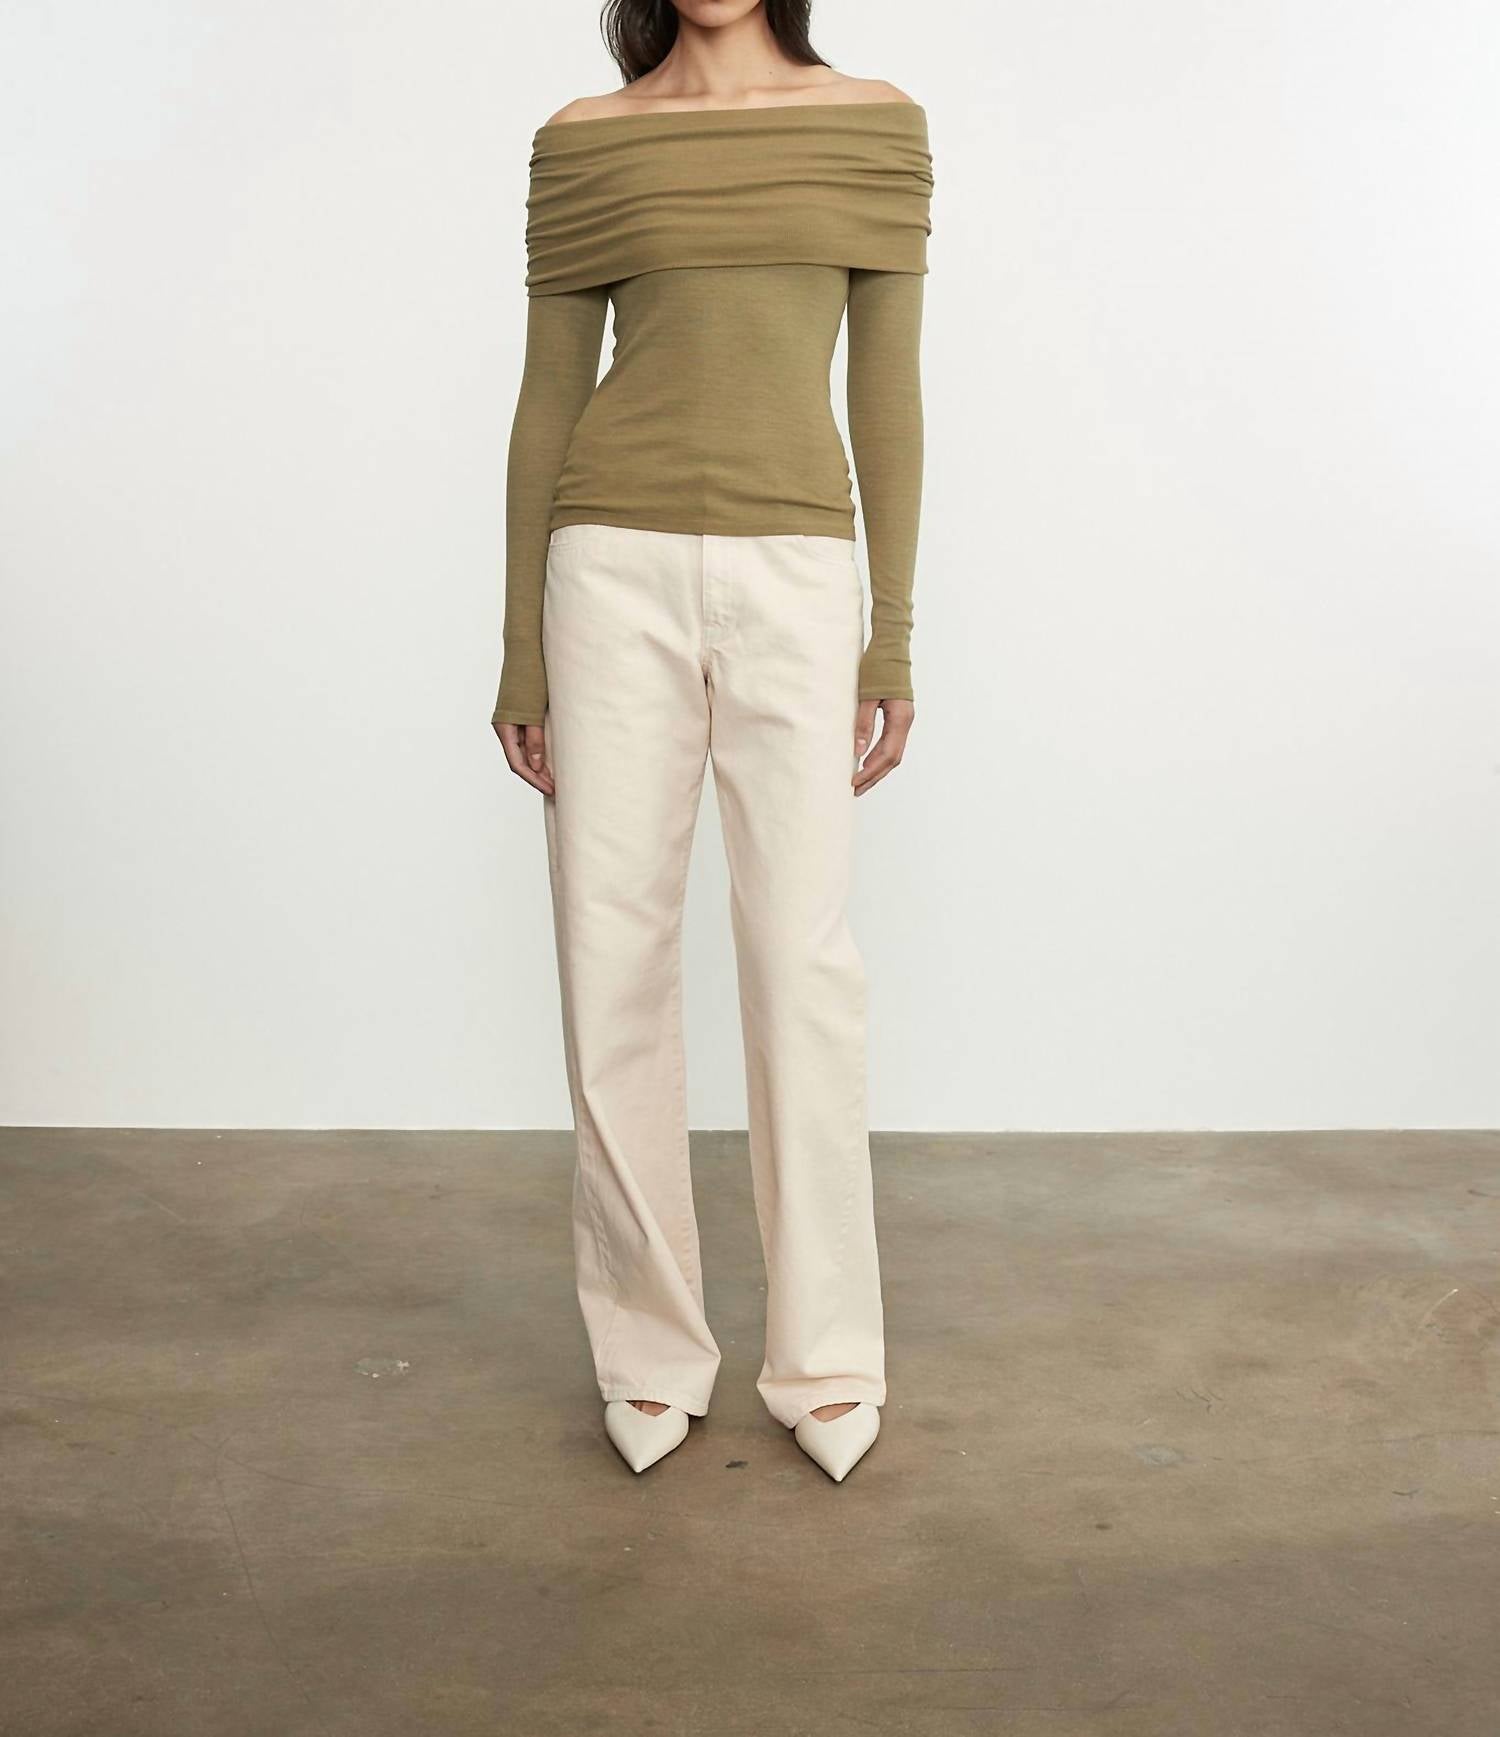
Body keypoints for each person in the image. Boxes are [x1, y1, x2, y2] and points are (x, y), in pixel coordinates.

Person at [491, 0, 932, 1481]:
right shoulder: (586, 141)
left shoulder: (871, 124)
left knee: (802, 963)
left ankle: (827, 1358)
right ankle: (648, 1350)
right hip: (605, 569)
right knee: (610, 952)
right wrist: (520, 644)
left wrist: (891, 629)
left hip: (797, 571)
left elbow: (887, 394)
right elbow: (548, 398)